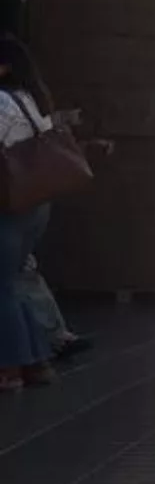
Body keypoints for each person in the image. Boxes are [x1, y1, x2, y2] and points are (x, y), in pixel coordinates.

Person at [0, 36, 60, 390]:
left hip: (9, 205)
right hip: (36, 204)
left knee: (3, 286)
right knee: (13, 281)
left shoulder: (2, 104)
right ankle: (36, 361)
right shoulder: (33, 101)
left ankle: (9, 368)